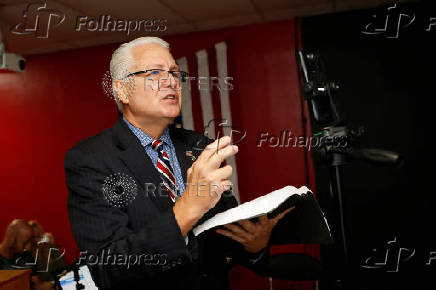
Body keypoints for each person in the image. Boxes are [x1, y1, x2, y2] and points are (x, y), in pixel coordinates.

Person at [65, 37, 291, 290]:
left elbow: (226, 238)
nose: (171, 81)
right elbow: (108, 268)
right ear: (122, 90)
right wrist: (190, 205)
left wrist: (255, 247)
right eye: (154, 72)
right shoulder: (91, 159)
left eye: (174, 72)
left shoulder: (199, 147)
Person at [0, 219, 55, 290]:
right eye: (25, 242)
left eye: (30, 242)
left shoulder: (26, 256)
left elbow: (37, 286)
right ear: (11, 238)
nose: (28, 248)